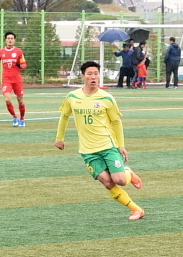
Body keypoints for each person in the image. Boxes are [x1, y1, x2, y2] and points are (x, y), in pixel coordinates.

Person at [54, 61, 145, 221]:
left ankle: (128, 173)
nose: (93, 77)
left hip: (107, 146)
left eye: (96, 73)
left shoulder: (106, 98)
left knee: (120, 180)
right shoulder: (73, 97)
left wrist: (120, 145)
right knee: (107, 182)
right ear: (83, 76)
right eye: (90, 74)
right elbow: (64, 116)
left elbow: (116, 121)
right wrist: (59, 139)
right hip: (87, 151)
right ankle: (136, 210)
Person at [0, 31, 27, 127]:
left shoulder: (18, 51)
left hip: (17, 80)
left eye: (12, 38)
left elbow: (24, 64)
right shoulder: (1, 51)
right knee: (7, 99)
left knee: (20, 100)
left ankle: (22, 118)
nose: (10, 40)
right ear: (5, 40)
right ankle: (15, 117)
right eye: (8, 38)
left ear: (14, 40)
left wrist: (20, 65)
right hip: (6, 80)